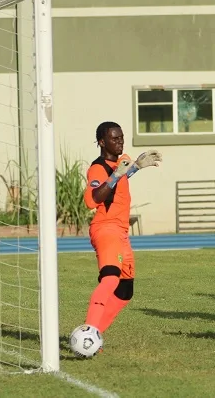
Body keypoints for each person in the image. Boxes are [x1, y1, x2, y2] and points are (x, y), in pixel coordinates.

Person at [80, 121, 162, 347]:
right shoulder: (98, 168)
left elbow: (118, 181)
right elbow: (92, 199)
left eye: (121, 137)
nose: (120, 142)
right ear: (102, 142)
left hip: (121, 232)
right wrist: (116, 174)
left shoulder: (119, 164)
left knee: (125, 291)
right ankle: (89, 333)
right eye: (114, 139)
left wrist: (136, 167)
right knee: (110, 279)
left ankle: (94, 333)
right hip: (106, 229)